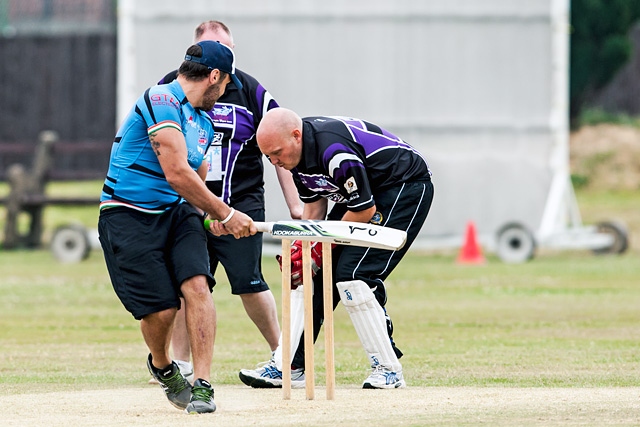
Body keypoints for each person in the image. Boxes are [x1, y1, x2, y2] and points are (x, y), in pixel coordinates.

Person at [98, 40, 256, 414]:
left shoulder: (204, 121)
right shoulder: (161, 99)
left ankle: (203, 384)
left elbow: (196, 181)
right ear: (214, 77)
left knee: (198, 286)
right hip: (127, 213)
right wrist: (227, 215)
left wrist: (208, 216)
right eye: (226, 85)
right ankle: (163, 365)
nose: (224, 94)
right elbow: (176, 172)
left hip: (177, 212)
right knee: (163, 311)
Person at [148, 21, 302, 385]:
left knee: (249, 282)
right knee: (191, 281)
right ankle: (181, 365)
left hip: (241, 202)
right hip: (190, 201)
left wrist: (295, 203)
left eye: (226, 47)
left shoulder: (251, 90)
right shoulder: (170, 88)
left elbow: (281, 145)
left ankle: (286, 359)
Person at [240, 108, 434, 389]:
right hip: (364, 195)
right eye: (268, 156)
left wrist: (318, 246)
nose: (274, 161)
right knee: (309, 274)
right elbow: (315, 207)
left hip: (402, 186)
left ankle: (388, 369)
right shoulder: (295, 159)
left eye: (277, 153)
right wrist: (304, 248)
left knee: (354, 275)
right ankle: (290, 365)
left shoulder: (334, 152)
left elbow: (364, 210)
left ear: (296, 136)